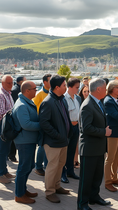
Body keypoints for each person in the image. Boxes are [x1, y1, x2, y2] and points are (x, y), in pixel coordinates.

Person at [77, 78, 112, 210]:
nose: (106, 90)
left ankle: (94, 197)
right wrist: (104, 132)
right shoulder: (87, 105)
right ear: (98, 89)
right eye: (105, 88)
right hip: (89, 149)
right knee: (86, 179)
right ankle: (82, 204)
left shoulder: (98, 102)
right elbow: (86, 128)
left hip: (98, 148)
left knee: (97, 176)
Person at [39, 75, 72, 203]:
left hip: (63, 140)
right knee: (52, 167)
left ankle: (57, 186)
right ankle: (49, 191)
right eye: (64, 85)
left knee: (60, 165)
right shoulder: (47, 102)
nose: (66, 87)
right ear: (57, 87)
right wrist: (58, 135)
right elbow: (44, 123)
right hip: (53, 142)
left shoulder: (62, 99)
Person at [11, 81, 40, 204]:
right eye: (34, 88)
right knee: (23, 168)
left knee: (29, 166)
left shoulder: (26, 102)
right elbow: (26, 124)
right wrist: (42, 125)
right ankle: (19, 194)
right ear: (27, 91)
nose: (36, 90)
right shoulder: (22, 105)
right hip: (24, 141)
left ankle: (23, 189)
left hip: (29, 140)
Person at [0, 75, 16, 184]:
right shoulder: (1, 95)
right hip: (2, 124)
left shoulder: (7, 93)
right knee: (3, 150)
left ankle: (4, 171)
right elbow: (3, 113)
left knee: (5, 150)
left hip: (6, 124)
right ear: (2, 83)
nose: (11, 85)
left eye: (12, 82)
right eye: (8, 83)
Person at [62, 78, 81, 183]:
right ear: (70, 87)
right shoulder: (64, 99)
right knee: (64, 152)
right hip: (67, 128)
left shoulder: (78, 99)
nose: (78, 89)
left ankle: (70, 171)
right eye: (76, 87)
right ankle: (63, 174)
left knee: (72, 151)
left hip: (76, 128)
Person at [33, 73, 52, 176]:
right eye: (50, 80)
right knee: (42, 145)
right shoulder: (40, 94)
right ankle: (38, 167)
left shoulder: (52, 92)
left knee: (47, 145)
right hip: (43, 122)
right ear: (45, 82)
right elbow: (34, 106)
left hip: (50, 122)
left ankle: (46, 165)